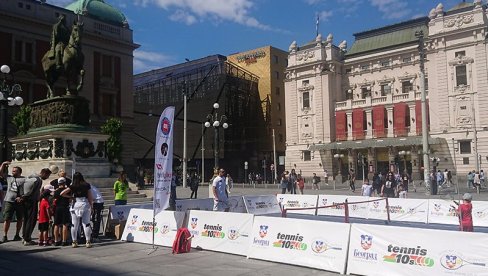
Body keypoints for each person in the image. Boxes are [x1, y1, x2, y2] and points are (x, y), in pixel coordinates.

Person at [61, 172, 93, 248]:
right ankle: (88, 241)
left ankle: (74, 241)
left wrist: (71, 197)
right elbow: (90, 197)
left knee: (74, 224)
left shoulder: (73, 186)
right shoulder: (87, 185)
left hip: (76, 204)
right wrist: (91, 206)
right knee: (86, 224)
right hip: (85, 203)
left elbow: (62, 193)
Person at [22, 168, 51, 245]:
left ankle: (24, 236)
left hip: (25, 201)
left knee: (26, 219)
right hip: (31, 201)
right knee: (31, 220)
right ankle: (27, 239)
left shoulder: (30, 177)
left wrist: (22, 197)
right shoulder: (38, 180)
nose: (47, 177)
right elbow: (33, 191)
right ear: (44, 173)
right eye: (48, 175)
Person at [1, 162, 25, 243]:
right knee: (7, 219)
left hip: (19, 202)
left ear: (19, 172)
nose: (13, 172)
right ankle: (5, 235)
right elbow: (0, 173)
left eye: (15, 171)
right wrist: (3, 165)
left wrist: (22, 197)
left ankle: (17, 235)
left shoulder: (24, 179)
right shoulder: (9, 178)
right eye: (13, 171)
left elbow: (27, 190)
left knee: (19, 219)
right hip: (9, 201)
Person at [53, 177, 70, 246]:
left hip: (57, 208)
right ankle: (64, 241)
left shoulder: (56, 191)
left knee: (56, 224)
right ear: (65, 183)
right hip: (64, 208)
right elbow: (70, 200)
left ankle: (56, 240)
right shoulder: (67, 190)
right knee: (64, 224)